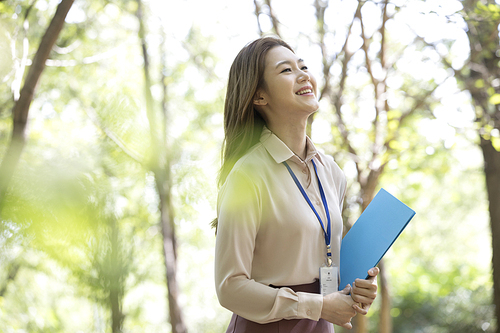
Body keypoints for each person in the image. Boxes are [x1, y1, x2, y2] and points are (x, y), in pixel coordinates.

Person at [213, 36, 379, 333]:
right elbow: (229, 287)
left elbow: (326, 262)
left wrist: (356, 289)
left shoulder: (331, 172)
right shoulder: (246, 176)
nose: (303, 74)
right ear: (259, 96)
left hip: (319, 326)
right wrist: (317, 306)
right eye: (286, 70)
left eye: (303, 66)